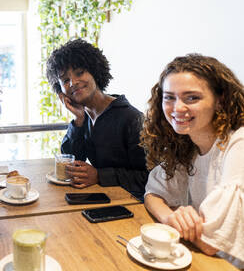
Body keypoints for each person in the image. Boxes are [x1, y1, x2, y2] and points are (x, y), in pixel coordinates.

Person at [140, 54, 244, 268]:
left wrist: (189, 227)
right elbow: (152, 194)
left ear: (220, 100)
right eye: (169, 97)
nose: (177, 108)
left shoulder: (238, 143)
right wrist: (171, 218)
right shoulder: (188, 145)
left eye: (192, 98)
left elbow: (211, 243)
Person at [45, 38, 148, 200]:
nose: (73, 82)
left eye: (79, 73)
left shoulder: (132, 119)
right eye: (65, 80)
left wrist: (100, 175)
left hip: (133, 206)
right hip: (103, 200)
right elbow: (70, 163)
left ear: (95, 72)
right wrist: (78, 121)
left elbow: (149, 178)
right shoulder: (84, 117)